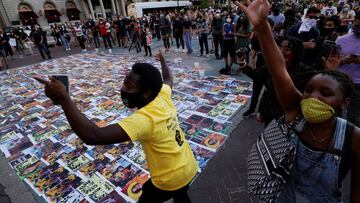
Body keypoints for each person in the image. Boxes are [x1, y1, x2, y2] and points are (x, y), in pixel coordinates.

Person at [34, 49, 198, 203]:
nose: (123, 89)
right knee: (181, 194)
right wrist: (163, 61)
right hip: (188, 164)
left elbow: (93, 135)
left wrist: (64, 99)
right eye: (124, 83)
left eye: (129, 87)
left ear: (147, 92)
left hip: (170, 177)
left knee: (149, 197)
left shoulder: (144, 119)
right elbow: (168, 78)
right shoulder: (162, 94)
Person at [235, 0, 360, 202]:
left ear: (344, 103)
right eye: (308, 89)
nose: (313, 97)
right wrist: (262, 27)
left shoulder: (353, 138)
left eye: (325, 93)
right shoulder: (295, 111)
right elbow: (278, 70)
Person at [336, 12, 360, 127]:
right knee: (335, 114)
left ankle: (353, 141)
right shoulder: (341, 40)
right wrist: (343, 60)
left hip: (358, 85)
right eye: (357, 26)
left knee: (354, 117)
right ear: (354, 21)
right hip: (340, 82)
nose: (359, 29)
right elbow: (330, 61)